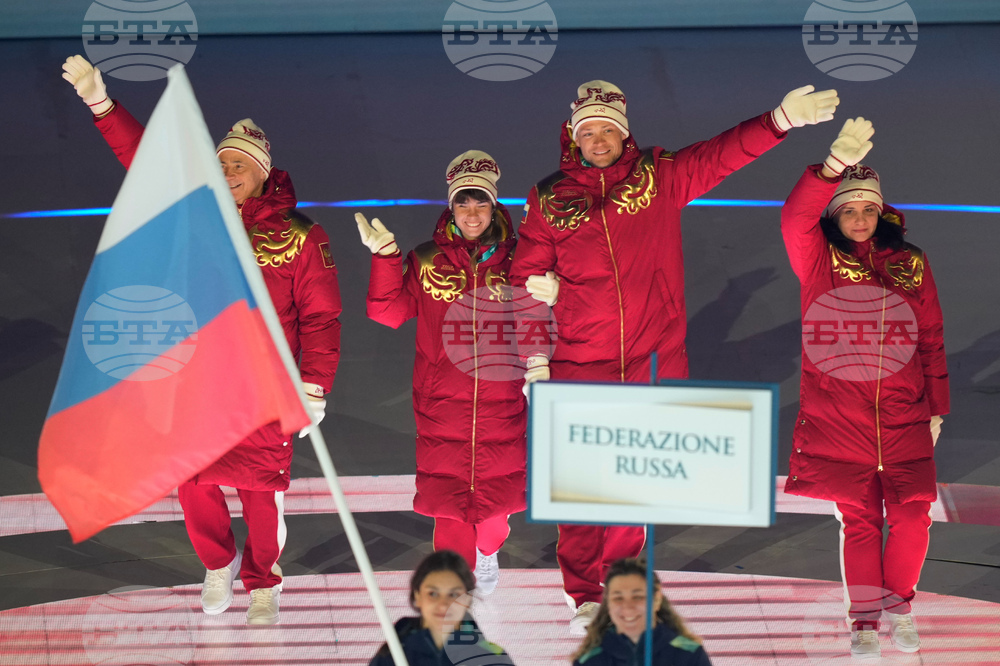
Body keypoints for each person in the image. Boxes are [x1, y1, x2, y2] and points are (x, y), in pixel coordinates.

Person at [509, 79, 840, 634]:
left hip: (651, 358)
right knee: (582, 487)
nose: (598, 139)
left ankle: (618, 584)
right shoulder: (548, 198)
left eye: (607, 130)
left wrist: (780, 118)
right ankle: (582, 592)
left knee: (630, 484)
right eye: (587, 130)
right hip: (576, 360)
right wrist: (536, 359)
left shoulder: (657, 177)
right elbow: (523, 281)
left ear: (623, 133)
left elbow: (721, 154)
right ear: (572, 135)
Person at [61, 55, 342, 625]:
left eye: (241, 163)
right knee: (193, 486)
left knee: (261, 492)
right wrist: (101, 102)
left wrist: (313, 384)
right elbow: (146, 162)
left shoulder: (301, 237)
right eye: (222, 162)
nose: (229, 170)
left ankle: (265, 581)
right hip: (195, 381)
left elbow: (322, 318)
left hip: (263, 388)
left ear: (265, 172)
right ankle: (218, 564)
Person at [781, 117, 949, 658]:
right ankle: (863, 619)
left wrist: (937, 407)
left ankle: (899, 606)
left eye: (867, 208)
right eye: (848, 209)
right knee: (858, 520)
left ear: (882, 211)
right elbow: (795, 216)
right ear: (834, 215)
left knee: (910, 515)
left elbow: (931, 337)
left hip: (904, 412)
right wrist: (828, 169)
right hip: (839, 417)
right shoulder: (818, 262)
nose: (858, 218)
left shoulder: (910, 263)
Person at [358, 151, 542, 595]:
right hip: (443, 405)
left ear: (494, 206)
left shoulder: (520, 259)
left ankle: (489, 549)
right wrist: (385, 257)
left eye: (481, 203)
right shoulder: (426, 261)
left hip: (503, 401)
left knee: (497, 510)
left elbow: (540, 317)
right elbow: (387, 312)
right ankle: (455, 593)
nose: (472, 213)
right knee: (448, 508)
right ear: (451, 208)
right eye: (463, 203)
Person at [369, 550, 512, 665]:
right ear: (417, 596)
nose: (443, 605)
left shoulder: (493, 659)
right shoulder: (389, 658)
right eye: (433, 593)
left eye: (454, 594)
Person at [571, 558, 712, 666]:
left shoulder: (688, 653)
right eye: (618, 598)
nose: (627, 607)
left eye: (637, 597)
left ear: (656, 599)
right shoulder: (591, 659)